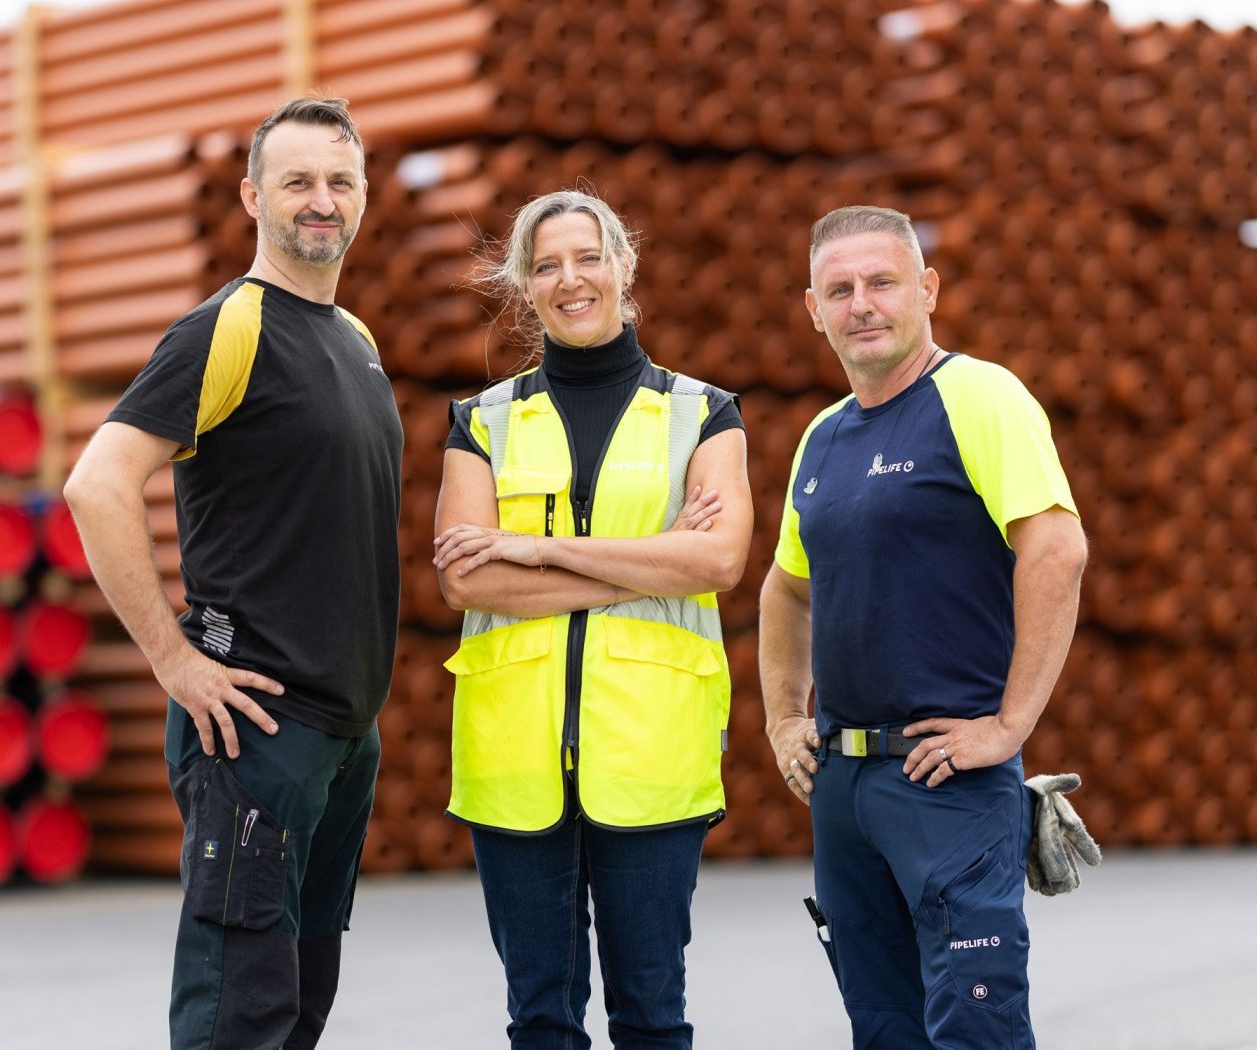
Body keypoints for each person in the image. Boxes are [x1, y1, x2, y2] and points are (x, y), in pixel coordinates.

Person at [63, 97, 401, 1049]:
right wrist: (175, 662)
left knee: (296, 1012)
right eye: (297, 181)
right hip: (256, 729)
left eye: (340, 181)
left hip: (342, 736)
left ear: (364, 195)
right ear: (254, 196)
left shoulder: (358, 343)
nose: (321, 201)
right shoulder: (228, 328)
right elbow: (97, 486)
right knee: (235, 1016)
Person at [759, 205, 1088, 1049]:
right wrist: (784, 717)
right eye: (840, 289)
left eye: (881, 282)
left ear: (927, 289)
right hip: (844, 787)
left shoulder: (979, 395)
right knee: (883, 1025)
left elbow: (1056, 550)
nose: (861, 304)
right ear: (812, 308)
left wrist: (1010, 726)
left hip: (947, 780)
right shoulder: (823, 437)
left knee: (974, 1024)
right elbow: (786, 590)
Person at [432, 189, 753, 1049]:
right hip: (513, 759)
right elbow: (466, 582)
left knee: (652, 1017)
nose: (569, 280)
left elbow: (718, 562)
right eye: (545, 265)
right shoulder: (481, 423)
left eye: (587, 258)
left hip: (652, 754)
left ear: (623, 267)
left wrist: (536, 552)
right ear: (523, 286)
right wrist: (646, 560)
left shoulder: (703, 412)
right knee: (540, 1020)